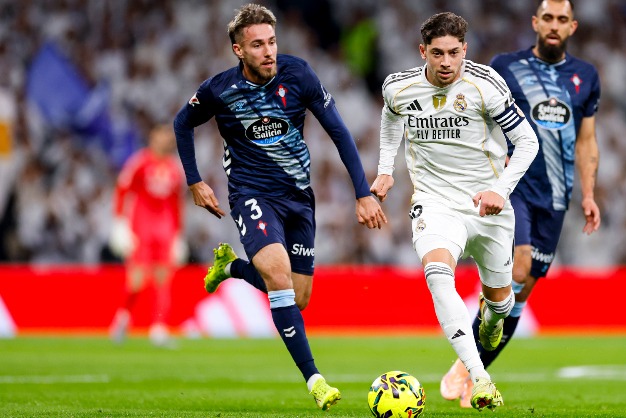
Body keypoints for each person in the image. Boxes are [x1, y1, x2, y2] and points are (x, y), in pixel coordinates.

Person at [172, 3, 386, 411]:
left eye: (272, 42)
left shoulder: (298, 74)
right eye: (257, 45)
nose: (268, 51)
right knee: (278, 276)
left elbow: (339, 131)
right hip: (251, 194)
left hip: (299, 197)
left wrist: (362, 192)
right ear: (239, 51)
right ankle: (316, 381)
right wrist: (195, 181)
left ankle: (231, 267)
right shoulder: (218, 90)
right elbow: (182, 123)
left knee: (298, 296)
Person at [371, 12, 539, 411]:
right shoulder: (399, 88)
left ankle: (493, 320)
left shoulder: (485, 86)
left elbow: (527, 142)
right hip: (434, 202)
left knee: (500, 302)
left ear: (465, 49)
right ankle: (480, 378)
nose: (446, 62)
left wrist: (500, 190)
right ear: (422, 51)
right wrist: (384, 169)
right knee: (437, 273)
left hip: (488, 206)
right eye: (437, 53)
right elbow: (391, 120)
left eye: (454, 53)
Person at [439, 0, 601, 407]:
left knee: (522, 291)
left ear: (573, 27)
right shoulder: (505, 66)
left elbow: (586, 141)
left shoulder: (585, 76)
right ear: (535, 22)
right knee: (521, 264)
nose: (554, 25)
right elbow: (481, 114)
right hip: (513, 187)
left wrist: (589, 193)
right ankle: (469, 367)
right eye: (547, 18)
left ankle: (471, 371)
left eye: (562, 20)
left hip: (557, 195)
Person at [108, 124, 186, 348]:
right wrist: (119, 224)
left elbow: (176, 203)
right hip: (141, 227)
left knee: (163, 279)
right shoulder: (140, 162)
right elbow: (122, 190)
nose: (165, 140)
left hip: (165, 229)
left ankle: (159, 328)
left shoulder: (174, 169)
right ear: (152, 137)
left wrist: (178, 235)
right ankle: (122, 318)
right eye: (161, 135)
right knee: (137, 280)